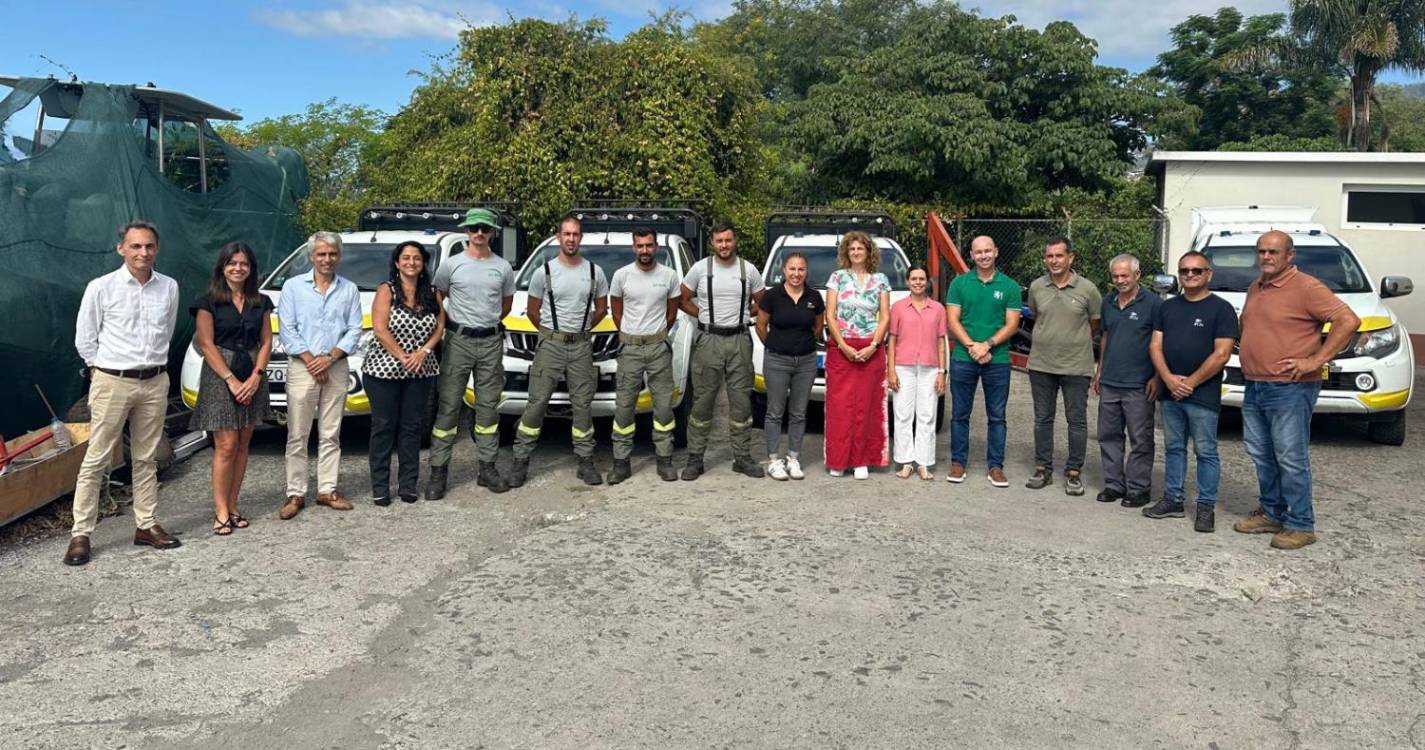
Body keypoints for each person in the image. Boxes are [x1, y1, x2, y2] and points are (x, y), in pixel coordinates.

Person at [64, 220, 181, 566]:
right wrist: (102, 369)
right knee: (97, 457)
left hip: (155, 380)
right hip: (113, 380)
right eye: (135, 246)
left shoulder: (169, 287)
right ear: (121, 249)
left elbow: (168, 331)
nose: (142, 252)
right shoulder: (101, 288)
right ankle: (81, 534)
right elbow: (85, 337)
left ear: (156, 249)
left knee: (146, 457)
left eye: (148, 246)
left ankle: (146, 525)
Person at [1232, 230, 1359, 550]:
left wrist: (1316, 359)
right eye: (1261, 251)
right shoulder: (1256, 287)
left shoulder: (1306, 287)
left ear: (1290, 255)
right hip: (1256, 384)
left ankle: (1301, 523)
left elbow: (1348, 320)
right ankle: (1273, 512)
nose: (1266, 257)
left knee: (1290, 456)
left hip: (1290, 387)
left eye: (1273, 252)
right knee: (1261, 453)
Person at [509, 214, 609, 487]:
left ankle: (585, 460)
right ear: (558, 237)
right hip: (550, 345)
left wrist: (583, 329)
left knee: (582, 406)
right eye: (567, 234)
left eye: (576, 234)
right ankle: (520, 461)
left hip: (580, 345)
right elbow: (532, 311)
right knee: (537, 403)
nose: (571, 239)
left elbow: (601, 309)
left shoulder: (594, 272)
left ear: (581, 237)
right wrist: (551, 334)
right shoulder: (545, 272)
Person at [1145, 251, 1236, 532]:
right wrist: (1169, 379)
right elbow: (1155, 346)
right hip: (1171, 392)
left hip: (1202, 394)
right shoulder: (1167, 307)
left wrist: (1190, 383)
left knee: (1205, 451)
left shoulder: (1221, 309)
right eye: (1184, 271)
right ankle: (1173, 499)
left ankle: (1205, 506)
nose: (1190, 275)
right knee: (1173, 448)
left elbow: (1221, 354)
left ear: (1209, 274)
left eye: (1197, 271)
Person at [428, 208, 515, 499]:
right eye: (474, 228)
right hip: (458, 340)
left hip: (490, 342)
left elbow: (505, 305)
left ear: (492, 233)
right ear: (466, 231)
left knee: (488, 407)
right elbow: (438, 298)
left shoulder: (502, 267)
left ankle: (487, 468)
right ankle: (439, 472)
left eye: (485, 229)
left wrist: (485, 323)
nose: (479, 233)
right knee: (449, 405)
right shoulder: (451, 265)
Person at [277, 231, 363, 520]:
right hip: (303, 367)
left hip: (336, 366)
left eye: (332, 254)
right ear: (311, 256)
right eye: (321, 254)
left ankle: (327, 489)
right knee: (297, 434)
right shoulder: (292, 287)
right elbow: (287, 327)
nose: (327, 259)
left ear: (339, 256)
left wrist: (330, 358)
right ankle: (295, 493)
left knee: (331, 432)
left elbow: (354, 328)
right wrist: (312, 360)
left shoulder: (349, 289)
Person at [189, 241, 274, 536]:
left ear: (251, 269)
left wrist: (256, 376)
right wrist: (231, 380)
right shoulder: (208, 301)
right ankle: (221, 509)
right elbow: (205, 344)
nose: (238, 268)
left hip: (252, 370)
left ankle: (234, 504)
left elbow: (266, 341)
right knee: (225, 445)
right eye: (232, 263)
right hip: (220, 373)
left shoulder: (260, 302)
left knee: (243, 444)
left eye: (244, 264)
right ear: (222, 267)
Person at [679, 222, 766, 480]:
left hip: (739, 339)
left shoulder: (748, 270)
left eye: (728, 240)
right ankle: (695, 459)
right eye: (719, 241)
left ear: (734, 241)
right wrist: (703, 315)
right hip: (709, 340)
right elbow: (682, 299)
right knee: (703, 402)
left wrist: (743, 313)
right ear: (713, 243)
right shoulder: (700, 269)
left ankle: (742, 457)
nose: (724, 245)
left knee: (741, 403)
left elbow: (763, 303)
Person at [365, 241, 444, 505]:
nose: (411, 262)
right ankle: (380, 486)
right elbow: (379, 328)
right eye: (406, 258)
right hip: (383, 370)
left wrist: (423, 352)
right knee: (384, 427)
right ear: (397, 263)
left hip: (422, 370)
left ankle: (408, 484)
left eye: (417, 258)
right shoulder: (386, 290)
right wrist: (403, 356)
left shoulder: (432, 293)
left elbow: (439, 326)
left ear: (423, 263)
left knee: (412, 427)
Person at [1025, 237, 1101, 496]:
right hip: (1041, 364)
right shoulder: (1037, 287)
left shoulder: (1088, 289)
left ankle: (1073, 472)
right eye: (1050, 256)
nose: (1054, 261)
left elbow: (1094, 324)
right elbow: (1037, 317)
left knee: (1076, 421)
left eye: (1059, 256)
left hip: (1076, 366)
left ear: (1071, 258)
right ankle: (1043, 468)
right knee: (1043, 419)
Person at [945, 236, 1021, 487]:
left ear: (996, 251)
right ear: (972, 255)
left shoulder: (1009, 286)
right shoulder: (959, 283)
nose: (984, 255)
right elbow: (952, 320)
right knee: (959, 414)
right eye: (979, 252)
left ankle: (996, 467)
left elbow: (1012, 324)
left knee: (997, 416)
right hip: (963, 358)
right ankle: (958, 463)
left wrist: (986, 345)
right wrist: (971, 346)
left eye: (988, 250)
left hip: (997, 358)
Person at [607, 228, 681, 484]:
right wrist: (630, 334)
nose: (645, 250)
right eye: (640, 246)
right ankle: (621, 462)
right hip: (630, 349)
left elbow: (672, 314)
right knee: (625, 407)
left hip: (658, 347)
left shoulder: (669, 276)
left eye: (649, 245)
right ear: (633, 247)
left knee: (663, 406)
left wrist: (656, 335)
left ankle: (665, 460)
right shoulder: (621, 276)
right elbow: (616, 311)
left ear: (656, 246)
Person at [1092, 254, 1161, 508]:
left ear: (1137, 275)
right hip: (1111, 380)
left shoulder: (1153, 304)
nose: (1120, 280)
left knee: (1140, 439)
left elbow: (1159, 342)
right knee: (1108, 435)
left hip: (1139, 383)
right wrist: (1099, 371)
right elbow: (1106, 337)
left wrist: (1157, 377)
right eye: (1116, 276)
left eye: (1125, 275)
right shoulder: (1108, 302)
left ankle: (1139, 488)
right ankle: (1113, 484)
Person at [823, 231, 891, 479]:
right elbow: (830, 315)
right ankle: (839, 460)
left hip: (870, 348)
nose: (855, 252)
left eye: (860, 248)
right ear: (846, 252)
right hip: (842, 348)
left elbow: (885, 316)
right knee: (840, 407)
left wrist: (873, 345)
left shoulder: (880, 279)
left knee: (866, 405)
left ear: (868, 251)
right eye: (851, 249)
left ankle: (861, 460)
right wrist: (843, 345)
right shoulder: (837, 278)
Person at [756, 252, 825, 481]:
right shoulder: (771, 296)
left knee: (798, 412)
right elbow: (761, 325)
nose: (796, 274)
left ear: (806, 272)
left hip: (805, 361)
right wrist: (776, 345)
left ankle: (793, 457)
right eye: (792, 269)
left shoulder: (814, 297)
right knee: (775, 411)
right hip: (777, 360)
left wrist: (802, 344)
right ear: (784, 271)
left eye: (801, 269)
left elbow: (818, 326)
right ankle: (774, 459)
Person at [886, 265, 946, 480]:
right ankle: (905, 461)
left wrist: (942, 372)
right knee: (902, 415)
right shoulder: (899, 307)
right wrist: (891, 370)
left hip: (930, 367)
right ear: (907, 281)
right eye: (914, 278)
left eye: (922, 278)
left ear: (927, 281)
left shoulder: (938, 309)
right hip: (903, 366)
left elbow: (941, 341)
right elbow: (891, 339)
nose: (918, 282)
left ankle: (924, 462)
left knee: (927, 415)